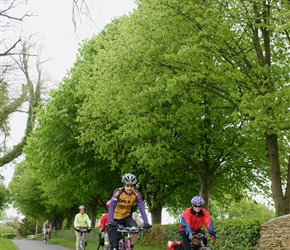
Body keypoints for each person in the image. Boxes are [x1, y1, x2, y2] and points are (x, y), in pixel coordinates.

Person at [108, 173, 151, 250]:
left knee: (135, 230)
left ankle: (129, 247)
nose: (129, 188)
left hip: (126, 218)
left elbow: (141, 208)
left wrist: (146, 222)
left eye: (132, 186)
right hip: (115, 219)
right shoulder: (118, 192)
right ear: (124, 185)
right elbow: (112, 206)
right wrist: (111, 220)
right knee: (114, 246)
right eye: (127, 186)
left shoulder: (136, 194)